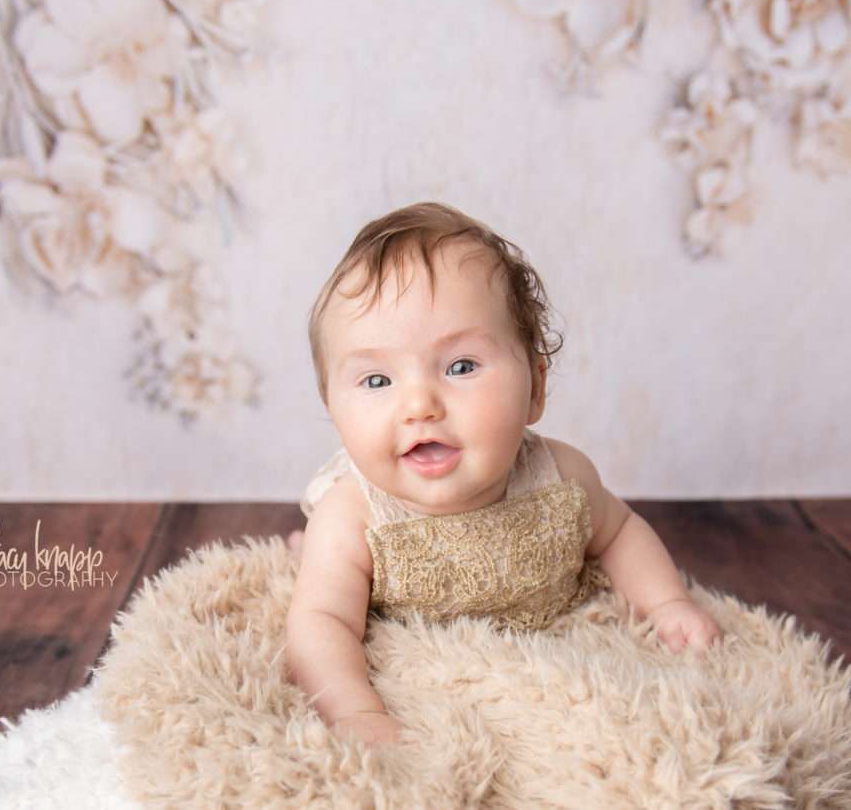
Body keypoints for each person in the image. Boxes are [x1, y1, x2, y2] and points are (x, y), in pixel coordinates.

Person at [285, 202, 722, 747]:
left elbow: (620, 532)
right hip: (349, 549)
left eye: (461, 367)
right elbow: (320, 625)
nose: (419, 405)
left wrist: (665, 603)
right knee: (323, 577)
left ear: (535, 388)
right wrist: (356, 713)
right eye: (377, 381)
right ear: (331, 405)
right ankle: (308, 553)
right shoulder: (354, 516)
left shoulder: (560, 478)